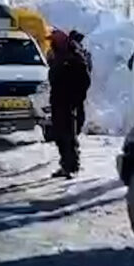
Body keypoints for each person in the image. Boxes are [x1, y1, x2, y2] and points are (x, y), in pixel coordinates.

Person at [47, 30, 91, 178]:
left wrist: (76, 100)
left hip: (68, 103)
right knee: (60, 135)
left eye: (53, 41)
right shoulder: (58, 56)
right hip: (58, 102)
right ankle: (65, 164)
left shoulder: (73, 58)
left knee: (68, 136)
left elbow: (84, 80)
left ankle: (71, 166)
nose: (51, 44)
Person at [67, 30, 93, 134]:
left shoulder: (80, 53)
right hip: (73, 87)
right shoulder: (74, 54)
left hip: (75, 87)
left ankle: (74, 130)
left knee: (76, 110)